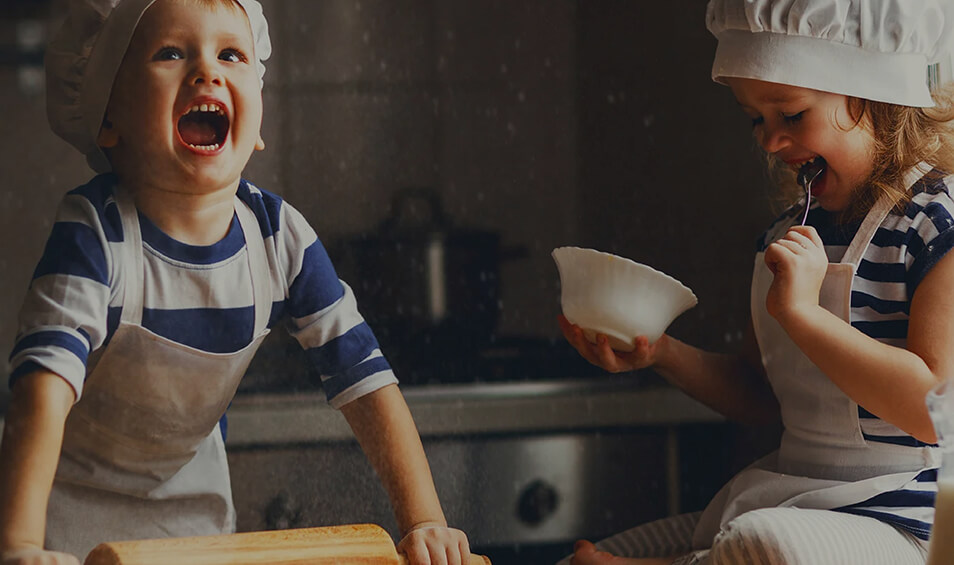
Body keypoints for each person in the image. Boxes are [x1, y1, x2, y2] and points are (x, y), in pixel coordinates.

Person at [0, 1, 471, 564]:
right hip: (58, 517)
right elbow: (42, 389)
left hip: (195, 532)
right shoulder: (97, 233)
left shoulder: (278, 237)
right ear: (107, 118)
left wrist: (424, 522)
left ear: (259, 125)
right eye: (171, 53)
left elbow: (367, 384)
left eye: (231, 53)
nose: (207, 71)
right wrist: (20, 543)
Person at [557, 0, 954, 564]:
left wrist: (804, 315)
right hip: (797, 494)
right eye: (756, 119)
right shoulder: (790, 230)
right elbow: (761, 391)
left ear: (871, 97)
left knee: (765, 546)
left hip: (907, 522)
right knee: (611, 553)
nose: (770, 142)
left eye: (790, 115)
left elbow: (933, 407)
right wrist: (660, 352)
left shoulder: (936, 222)